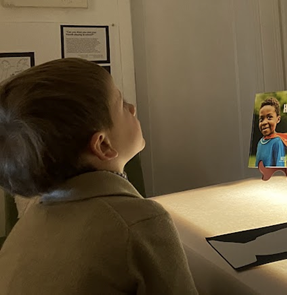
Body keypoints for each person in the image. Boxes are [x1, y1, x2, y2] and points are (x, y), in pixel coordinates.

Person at [0, 58, 198, 295]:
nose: (132, 108)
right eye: (121, 104)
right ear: (103, 146)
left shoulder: (27, 225)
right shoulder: (139, 221)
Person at [254, 96, 286, 168]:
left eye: (269, 117)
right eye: (261, 119)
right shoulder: (260, 142)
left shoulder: (277, 142)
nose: (264, 122)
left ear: (278, 119)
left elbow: (279, 167)